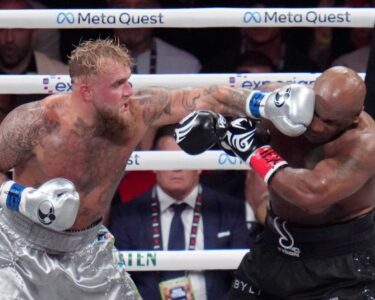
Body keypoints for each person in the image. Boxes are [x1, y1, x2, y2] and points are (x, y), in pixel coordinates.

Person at [0, 37, 313, 299]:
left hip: (87, 249)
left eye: (129, 80)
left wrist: (262, 102)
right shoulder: (36, 122)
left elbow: (208, 98)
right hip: (20, 246)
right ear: (85, 91)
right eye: (118, 84)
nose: (128, 91)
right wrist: (22, 199)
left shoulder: (136, 113)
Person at [176, 66, 375, 299]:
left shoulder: (366, 144)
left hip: (340, 266)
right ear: (309, 93)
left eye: (331, 122)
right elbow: (222, 98)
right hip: (274, 249)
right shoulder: (279, 103)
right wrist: (215, 128)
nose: (317, 126)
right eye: (316, 113)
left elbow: (311, 194)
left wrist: (253, 151)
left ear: (354, 118)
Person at [110, 124, 250, 300]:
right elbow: (120, 284)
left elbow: (242, 280)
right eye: (168, 159)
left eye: (185, 158)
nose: (177, 167)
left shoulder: (230, 210)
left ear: (200, 165)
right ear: (154, 165)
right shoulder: (126, 216)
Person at [0, 0, 68, 107]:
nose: (9, 38)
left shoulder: (63, 76)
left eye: (18, 29)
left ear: (33, 33)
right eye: (1, 29)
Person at [107, 0, 201, 74]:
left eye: (142, 7)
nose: (132, 18)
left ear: (157, 10)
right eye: (123, 7)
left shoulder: (184, 65)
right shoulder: (92, 62)